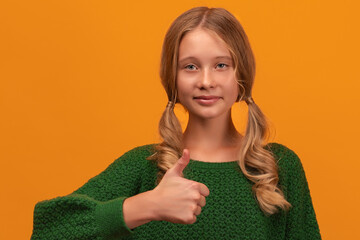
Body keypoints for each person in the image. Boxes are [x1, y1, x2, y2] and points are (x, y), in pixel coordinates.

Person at [31, 6, 321, 240]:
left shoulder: (278, 169)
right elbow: (47, 230)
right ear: (173, 79)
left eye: (221, 65)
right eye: (190, 66)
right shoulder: (144, 167)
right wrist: (144, 207)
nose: (206, 81)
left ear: (241, 74)